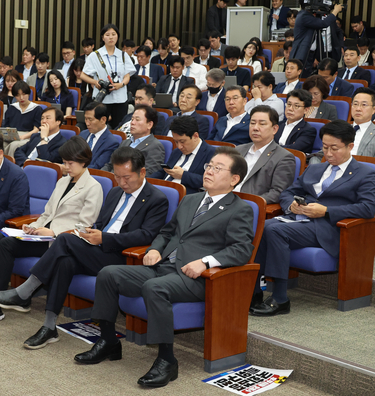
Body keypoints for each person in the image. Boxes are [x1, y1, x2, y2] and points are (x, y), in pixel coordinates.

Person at [75, 147, 253, 389]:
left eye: (217, 168)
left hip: (196, 278)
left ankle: (167, 360)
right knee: (109, 274)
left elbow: (241, 250)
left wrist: (206, 262)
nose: (209, 171)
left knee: (154, 287)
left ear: (234, 179)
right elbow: (167, 232)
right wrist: (154, 250)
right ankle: (108, 341)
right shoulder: (190, 199)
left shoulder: (239, 209)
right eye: (209, 165)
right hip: (164, 266)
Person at [0, 147, 168, 349]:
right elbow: (102, 224)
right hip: (97, 248)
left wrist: (104, 238)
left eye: (127, 177)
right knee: (64, 261)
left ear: (142, 172)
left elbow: (146, 235)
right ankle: (49, 326)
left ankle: (26, 290)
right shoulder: (114, 193)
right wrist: (90, 233)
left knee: (64, 240)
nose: (122, 182)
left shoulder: (157, 199)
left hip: (121, 257)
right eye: (117, 176)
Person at [251, 121, 375, 316]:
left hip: (329, 227)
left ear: (350, 146)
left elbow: (368, 208)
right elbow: (287, 193)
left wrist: (326, 211)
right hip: (298, 220)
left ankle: (280, 298)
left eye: (335, 148)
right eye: (325, 147)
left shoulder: (366, 173)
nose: (329, 153)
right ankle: (255, 291)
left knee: (274, 229)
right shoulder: (315, 168)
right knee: (259, 227)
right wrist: (291, 205)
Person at [0, 136, 104, 320]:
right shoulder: (63, 182)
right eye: (64, 162)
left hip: (60, 241)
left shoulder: (93, 187)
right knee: (5, 242)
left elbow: (84, 226)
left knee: (6, 245)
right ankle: (0, 297)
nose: (66, 167)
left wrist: (53, 233)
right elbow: (47, 214)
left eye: (70, 163)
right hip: (42, 236)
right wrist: (33, 227)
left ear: (83, 161)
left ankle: (15, 297)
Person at [235, 106, 295, 204]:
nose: (255, 128)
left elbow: (278, 192)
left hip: (247, 205)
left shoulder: (284, 157)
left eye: (262, 124)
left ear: (274, 129)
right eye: (252, 123)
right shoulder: (238, 150)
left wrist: (251, 203)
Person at [81, 24, 137, 129]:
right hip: (102, 98)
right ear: (103, 37)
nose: (111, 37)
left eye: (113, 34)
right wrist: (94, 82)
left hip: (120, 98)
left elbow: (127, 76)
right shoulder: (95, 55)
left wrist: (121, 84)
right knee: (100, 127)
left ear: (117, 36)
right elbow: (83, 75)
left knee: (119, 128)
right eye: (107, 35)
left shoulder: (123, 55)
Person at [149, 116, 215, 194]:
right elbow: (163, 173)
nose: (179, 146)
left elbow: (211, 181)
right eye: (176, 142)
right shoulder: (176, 151)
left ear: (195, 136)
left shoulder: (212, 154)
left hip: (185, 197)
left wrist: (183, 175)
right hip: (161, 192)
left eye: (182, 141)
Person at [103, 104, 165, 175]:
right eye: (132, 119)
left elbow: (149, 173)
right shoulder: (125, 143)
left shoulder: (155, 146)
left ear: (149, 125)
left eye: (137, 120)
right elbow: (110, 165)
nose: (132, 123)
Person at [290, 2, 343, 77]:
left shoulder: (308, 15)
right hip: (303, 53)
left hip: (311, 54)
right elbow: (324, 24)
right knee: (302, 77)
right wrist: (335, 11)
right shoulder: (304, 16)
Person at [2, 80, 44, 155]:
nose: (21, 98)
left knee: (14, 145)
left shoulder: (36, 108)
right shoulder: (12, 108)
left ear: (28, 94)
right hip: (13, 135)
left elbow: (36, 129)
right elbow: (7, 126)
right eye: (18, 95)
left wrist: (23, 137)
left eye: (24, 94)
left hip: (28, 136)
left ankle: (11, 164)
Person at [78, 102, 119, 169]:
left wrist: (74, 169)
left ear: (103, 120)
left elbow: (98, 167)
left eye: (90, 119)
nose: (87, 123)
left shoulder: (111, 143)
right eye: (86, 119)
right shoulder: (83, 134)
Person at [275, 89, 317, 154]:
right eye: (289, 104)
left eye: (296, 106)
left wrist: (271, 148)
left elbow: (294, 149)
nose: (290, 109)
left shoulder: (308, 130)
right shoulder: (277, 125)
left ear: (306, 110)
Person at [349, 88, 375, 157]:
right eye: (355, 104)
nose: (358, 109)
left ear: (373, 110)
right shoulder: (340, 129)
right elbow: (322, 154)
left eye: (364, 105)